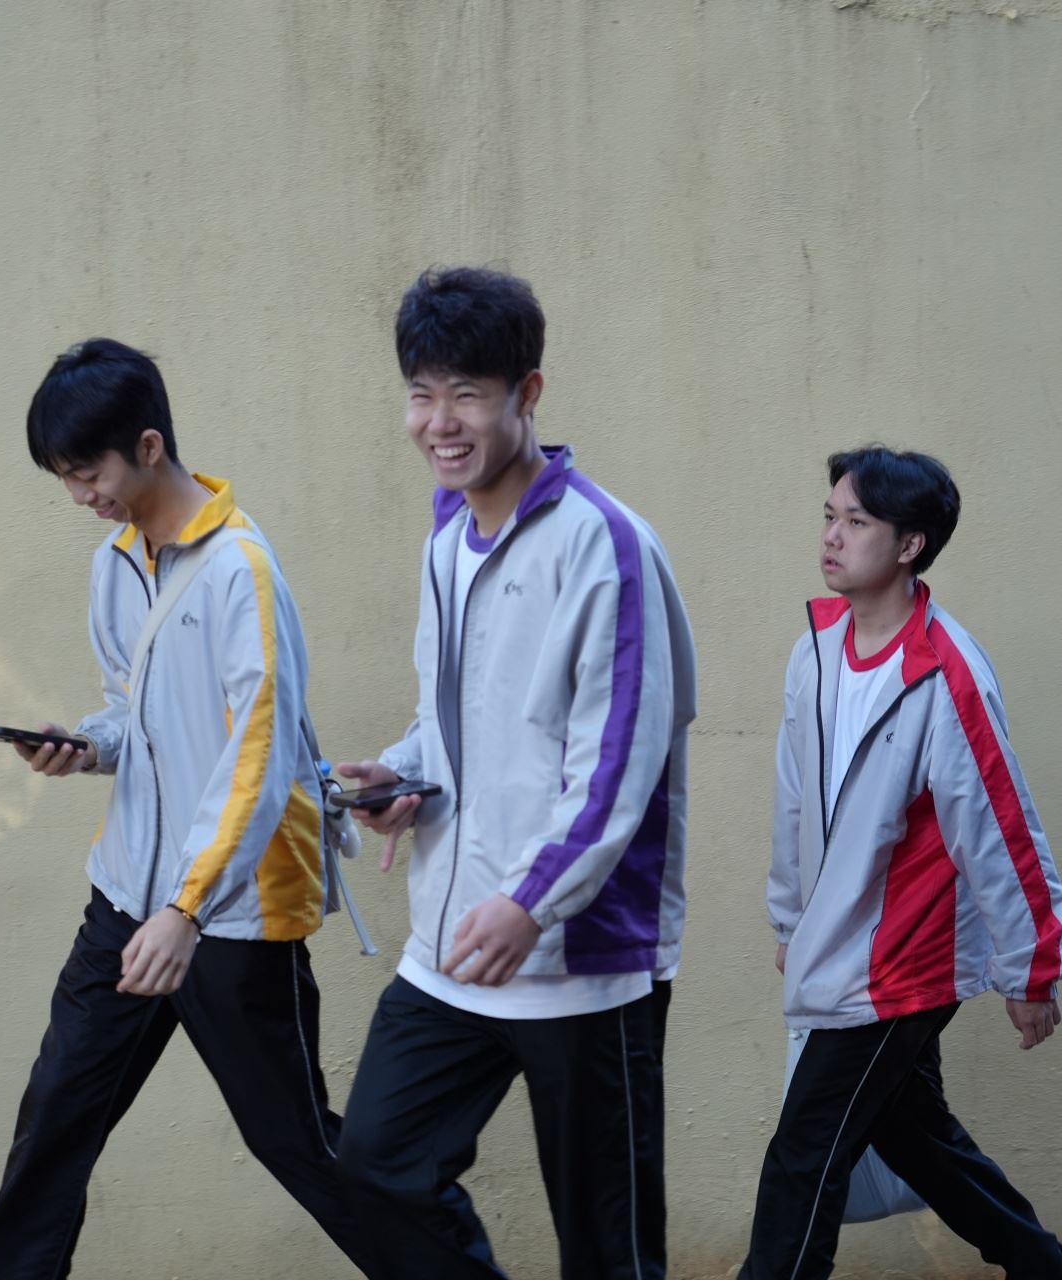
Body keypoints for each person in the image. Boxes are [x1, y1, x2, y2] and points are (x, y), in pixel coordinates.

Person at [0, 339, 374, 1278]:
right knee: (53, 1123)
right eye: (65, 477)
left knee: (300, 1146)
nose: (80, 495)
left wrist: (187, 910)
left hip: (226, 917)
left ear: (149, 446)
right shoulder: (115, 564)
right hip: (126, 904)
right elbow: (135, 714)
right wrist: (84, 746)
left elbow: (257, 759)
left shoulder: (241, 571)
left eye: (88, 472)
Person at [333, 266, 696, 1279]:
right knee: (376, 1167)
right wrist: (406, 774)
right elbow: (458, 719)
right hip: (454, 940)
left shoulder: (606, 545)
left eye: (467, 393)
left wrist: (531, 900)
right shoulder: (448, 538)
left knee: (610, 1251)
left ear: (526, 393)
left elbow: (619, 761)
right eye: (421, 393)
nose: (439, 422)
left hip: (580, 957)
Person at [743, 446, 1062, 1280]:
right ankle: (1053, 1271)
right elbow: (795, 798)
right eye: (830, 516)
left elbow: (999, 828)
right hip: (839, 943)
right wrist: (792, 921)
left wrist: (1031, 969)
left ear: (910, 546)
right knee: (912, 1133)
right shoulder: (817, 650)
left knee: (805, 1153)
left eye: (857, 521)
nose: (832, 536)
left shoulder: (947, 674)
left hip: (903, 959)